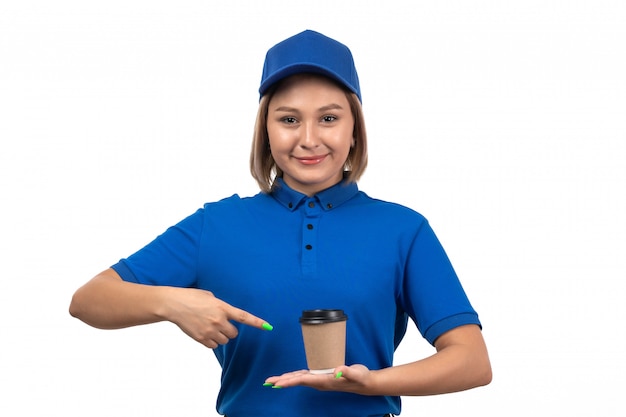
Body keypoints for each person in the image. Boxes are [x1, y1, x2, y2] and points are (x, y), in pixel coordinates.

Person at [69, 29, 491, 417]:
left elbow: (471, 360)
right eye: (289, 119)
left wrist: (370, 383)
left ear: (355, 131)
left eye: (328, 118)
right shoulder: (216, 225)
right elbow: (90, 299)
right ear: (266, 131)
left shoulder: (403, 230)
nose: (309, 138)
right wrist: (172, 304)